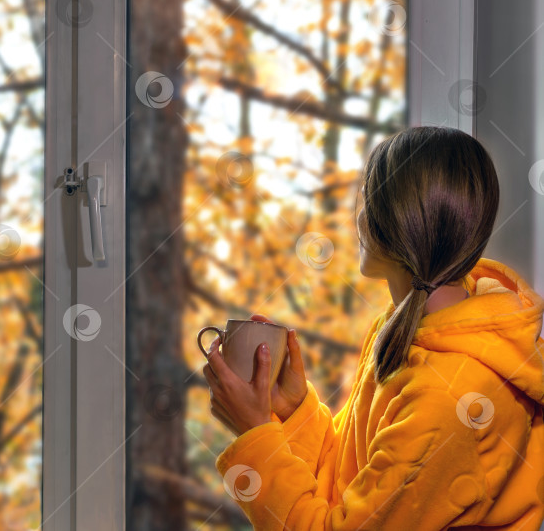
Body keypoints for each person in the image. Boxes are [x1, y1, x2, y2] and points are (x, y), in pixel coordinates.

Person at [202, 126, 544, 530]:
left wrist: (255, 432)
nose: (358, 216)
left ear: (394, 222)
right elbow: (354, 485)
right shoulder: (406, 326)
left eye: (367, 200)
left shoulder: (448, 397)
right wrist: (293, 411)